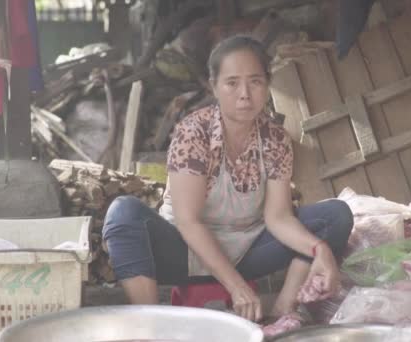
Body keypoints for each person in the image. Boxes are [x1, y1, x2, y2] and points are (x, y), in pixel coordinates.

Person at [102, 35, 353, 324]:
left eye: (255, 81)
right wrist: (237, 287)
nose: (244, 94)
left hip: (247, 251)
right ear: (215, 87)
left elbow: (279, 217)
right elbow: (188, 221)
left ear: (267, 84)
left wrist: (319, 249)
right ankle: (148, 326)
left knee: (335, 215)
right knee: (123, 213)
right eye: (232, 83)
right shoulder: (194, 133)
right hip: (184, 253)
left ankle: (283, 313)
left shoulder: (275, 139)